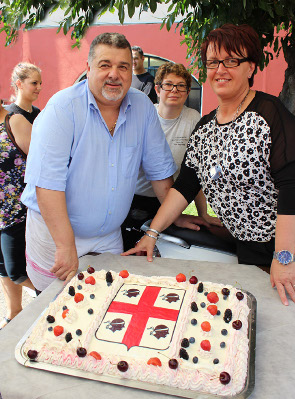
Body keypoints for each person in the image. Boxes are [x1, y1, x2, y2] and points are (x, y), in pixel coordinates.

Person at [123, 24, 295, 308]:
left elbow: (293, 188)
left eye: (232, 61)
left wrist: (285, 257)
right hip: (245, 245)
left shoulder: (269, 114)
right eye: (213, 62)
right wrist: (152, 233)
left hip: (285, 247)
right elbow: (185, 186)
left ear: (251, 67)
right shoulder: (205, 127)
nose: (221, 70)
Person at [21, 32, 178, 293]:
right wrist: (65, 245)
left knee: (109, 305)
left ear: (131, 72)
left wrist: (173, 212)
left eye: (123, 67)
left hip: (108, 235)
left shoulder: (143, 107)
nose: (114, 74)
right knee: (55, 314)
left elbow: (159, 170)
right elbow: (47, 185)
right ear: (88, 69)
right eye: (105, 65)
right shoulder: (62, 108)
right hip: (55, 234)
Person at [122, 62, 220, 250]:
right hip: (137, 200)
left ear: (187, 91)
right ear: (157, 89)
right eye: (168, 84)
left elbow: (195, 172)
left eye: (181, 86)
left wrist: (204, 214)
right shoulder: (145, 115)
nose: (174, 90)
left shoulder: (193, 120)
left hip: (170, 200)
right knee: (133, 252)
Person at [0, 99, 36, 329]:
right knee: (2, 268)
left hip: (19, 212)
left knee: (17, 271)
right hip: (1, 215)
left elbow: (43, 163)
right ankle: (14, 314)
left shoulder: (14, 121)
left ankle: (63, 294)